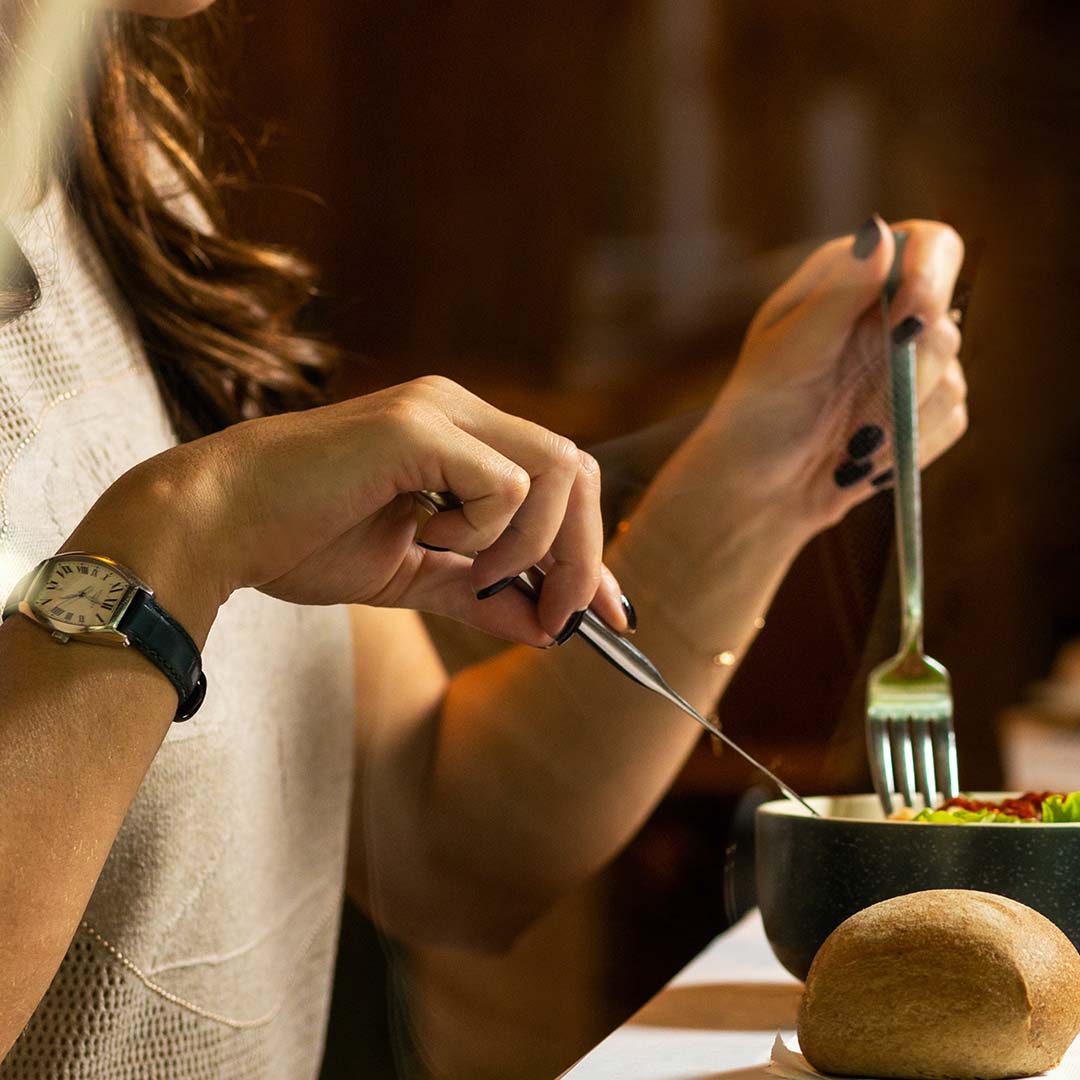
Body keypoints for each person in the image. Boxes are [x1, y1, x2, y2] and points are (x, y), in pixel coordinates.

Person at [0, 0, 967, 1075]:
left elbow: (439, 833)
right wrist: (180, 534)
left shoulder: (117, 192)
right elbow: (184, 535)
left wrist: (768, 472)